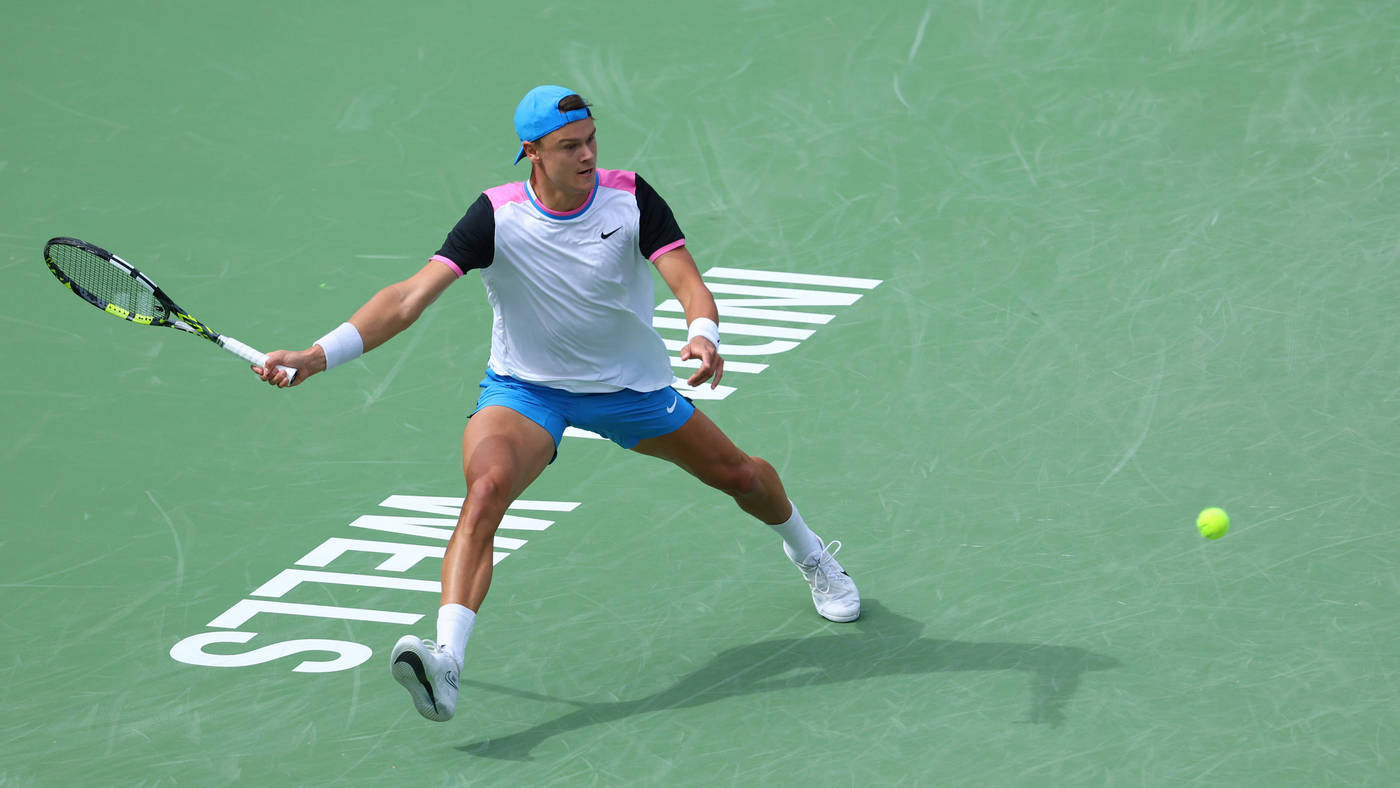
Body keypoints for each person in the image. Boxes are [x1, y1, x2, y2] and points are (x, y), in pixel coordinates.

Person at [253, 85, 860, 723]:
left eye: (591, 140)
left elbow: (688, 283)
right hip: (526, 391)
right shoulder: (495, 215)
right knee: (485, 492)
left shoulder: (631, 197)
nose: (587, 155)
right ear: (533, 152)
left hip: (627, 390)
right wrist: (316, 355)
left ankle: (811, 553)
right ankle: (447, 662)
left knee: (740, 476)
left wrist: (703, 334)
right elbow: (407, 299)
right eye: (569, 146)